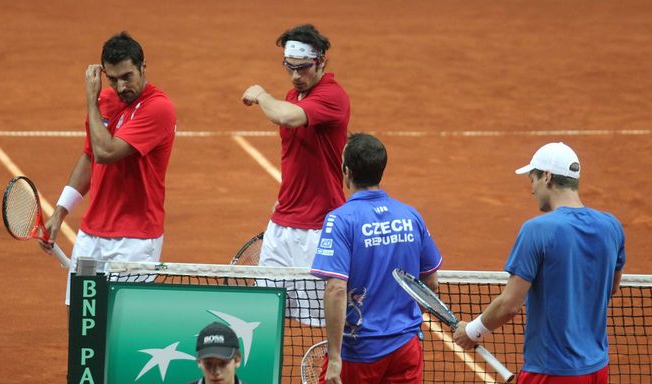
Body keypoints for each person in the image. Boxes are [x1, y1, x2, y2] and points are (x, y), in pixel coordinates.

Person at [453, 142, 626, 384]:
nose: (532, 189)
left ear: (547, 177)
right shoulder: (612, 226)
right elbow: (611, 287)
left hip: (551, 371)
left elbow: (510, 305)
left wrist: (472, 331)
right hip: (597, 369)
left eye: (532, 180)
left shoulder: (537, 230)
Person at [39, 31, 177, 305]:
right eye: (112, 79)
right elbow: (90, 156)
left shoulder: (158, 108)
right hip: (92, 235)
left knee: (122, 329)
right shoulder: (105, 100)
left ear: (142, 66)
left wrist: (90, 100)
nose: (121, 86)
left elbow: (106, 152)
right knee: (81, 325)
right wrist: (60, 212)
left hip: (135, 241)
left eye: (128, 76)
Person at [310, 133, 443, 384]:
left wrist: (335, 358)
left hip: (358, 353)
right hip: (406, 348)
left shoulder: (341, 220)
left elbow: (336, 289)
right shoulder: (410, 215)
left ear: (346, 171)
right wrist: (402, 324)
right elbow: (431, 283)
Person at [242, 24, 350, 324]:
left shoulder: (333, 96)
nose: (295, 76)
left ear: (321, 62)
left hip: (319, 229)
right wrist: (285, 196)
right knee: (263, 315)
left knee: (326, 319)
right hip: (281, 226)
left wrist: (261, 94)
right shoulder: (293, 94)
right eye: (289, 67)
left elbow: (285, 116)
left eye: (302, 69)